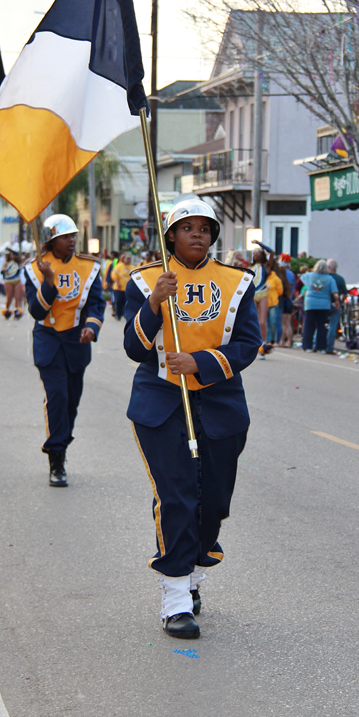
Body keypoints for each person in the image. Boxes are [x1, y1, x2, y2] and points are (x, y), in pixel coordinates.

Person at [123, 200, 261, 640]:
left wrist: (199, 361)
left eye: (205, 228)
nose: (197, 235)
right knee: (176, 494)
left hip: (219, 400)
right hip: (161, 400)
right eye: (187, 228)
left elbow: (247, 345)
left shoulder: (238, 282)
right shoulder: (145, 281)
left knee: (213, 498)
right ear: (171, 236)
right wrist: (155, 303)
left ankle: (194, 565)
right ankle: (176, 595)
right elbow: (133, 347)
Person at [25, 214, 105, 487]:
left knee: (71, 401)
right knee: (57, 396)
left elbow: (96, 303)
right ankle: (56, 459)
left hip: (77, 341)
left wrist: (92, 327)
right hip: (48, 340)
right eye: (65, 237)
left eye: (73, 236)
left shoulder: (89, 267)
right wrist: (48, 281)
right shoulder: (35, 269)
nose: (71, 241)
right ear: (50, 240)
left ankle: (62, 444)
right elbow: (36, 311)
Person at [301, 259, 339, 353]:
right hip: (324, 304)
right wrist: (337, 301)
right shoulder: (330, 279)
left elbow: (302, 277)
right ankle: (321, 347)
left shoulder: (310, 276)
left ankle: (307, 346)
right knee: (322, 326)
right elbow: (335, 292)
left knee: (309, 325)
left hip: (310, 303)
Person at [326, 259, 348, 353]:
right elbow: (345, 293)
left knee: (320, 324)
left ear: (328, 267)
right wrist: (341, 302)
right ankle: (329, 346)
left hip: (325, 304)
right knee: (333, 326)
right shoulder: (340, 279)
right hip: (336, 304)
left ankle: (317, 344)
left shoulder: (325, 278)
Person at [0, 245, 24, 319]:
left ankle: (17, 311)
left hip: (17, 280)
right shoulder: (7, 263)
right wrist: (4, 270)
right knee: (9, 297)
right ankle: (7, 311)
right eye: (11, 254)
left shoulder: (19, 263)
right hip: (9, 281)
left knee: (18, 297)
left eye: (14, 255)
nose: (13, 256)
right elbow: (2, 270)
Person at [111, 253, 132, 320]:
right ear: (123, 259)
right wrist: (117, 282)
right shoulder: (119, 266)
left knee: (126, 302)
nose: (128, 260)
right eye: (127, 258)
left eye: (129, 259)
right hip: (118, 288)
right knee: (118, 301)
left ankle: (125, 314)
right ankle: (118, 314)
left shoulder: (132, 267)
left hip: (128, 288)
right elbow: (114, 274)